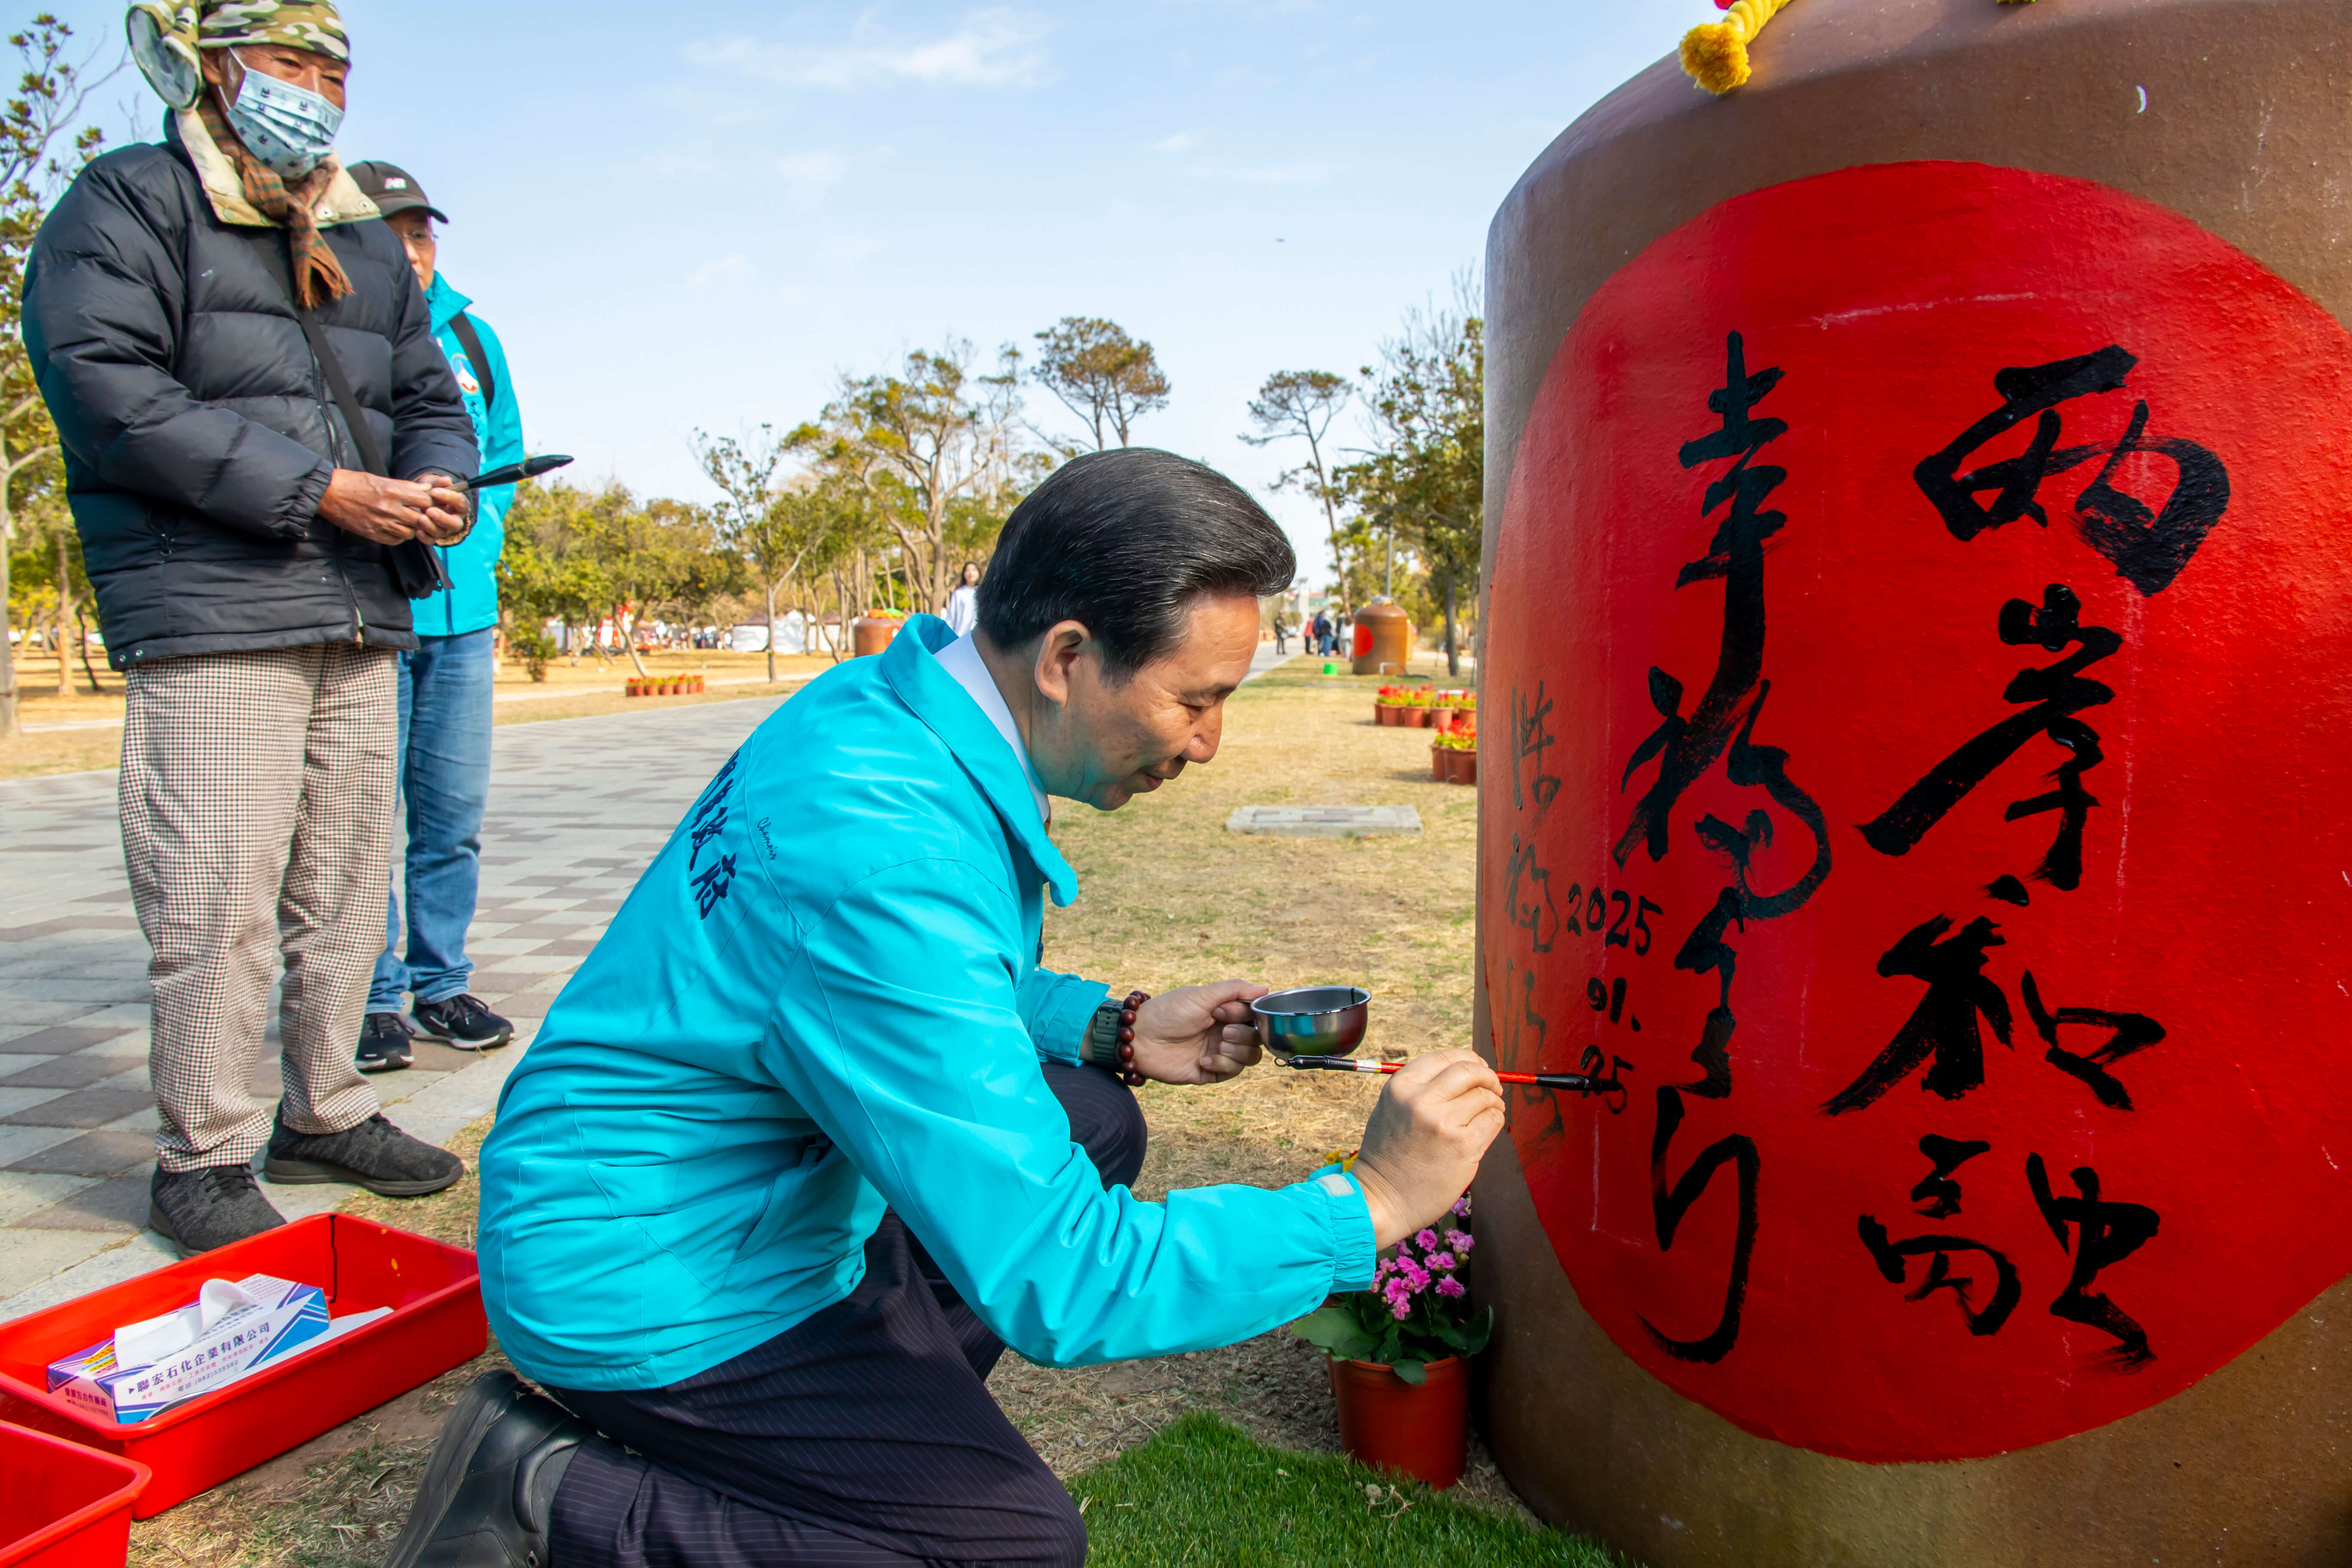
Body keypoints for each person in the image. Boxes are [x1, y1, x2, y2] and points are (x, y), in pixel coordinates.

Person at [386, 450, 1504, 1568]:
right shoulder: (884, 851)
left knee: (1095, 1118)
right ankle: (548, 1494)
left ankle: (861, 1434)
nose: (1208, 743)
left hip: (717, 1183)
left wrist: (1112, 1028)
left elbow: (910, 985)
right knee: (1010, 1549)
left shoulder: (893, 708)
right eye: (1196, 700)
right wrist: (1369, 1202)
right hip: (646, 1263)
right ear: (1067, 658)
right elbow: (1067, 1277)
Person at [26, 0, 479, 1254]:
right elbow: (109, 392)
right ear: (215, 67)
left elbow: (427, 393)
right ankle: (204, 1156)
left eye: (335, 71)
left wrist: (437, 483)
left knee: (344, 886)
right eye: (290, 63)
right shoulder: (131, 201)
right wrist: (320, 489)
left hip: (361, 605)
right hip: (212, 608)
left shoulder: (358, 233)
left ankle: (324, 1108)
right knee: (214, 895)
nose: (317, 92)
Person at [345, 159, 525, 1072]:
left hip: (462, 616)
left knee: (451, 815)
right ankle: (371, 996)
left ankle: (441, 982)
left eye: (420, 231)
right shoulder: (333, 321)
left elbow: (504, 449)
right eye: (390, 232)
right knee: (361, 819)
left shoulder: (471, 338)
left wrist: (478, 542)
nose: (411, 247)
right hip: (372, 611)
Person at [943, 558, 981, 637]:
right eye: (968, 571)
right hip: (961, 636)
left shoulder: (983, 592)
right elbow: (951, 617)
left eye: (974, 570)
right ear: (964, 574)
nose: (971, 573)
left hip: (979, 638)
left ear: (979, 573)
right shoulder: (959, 593)